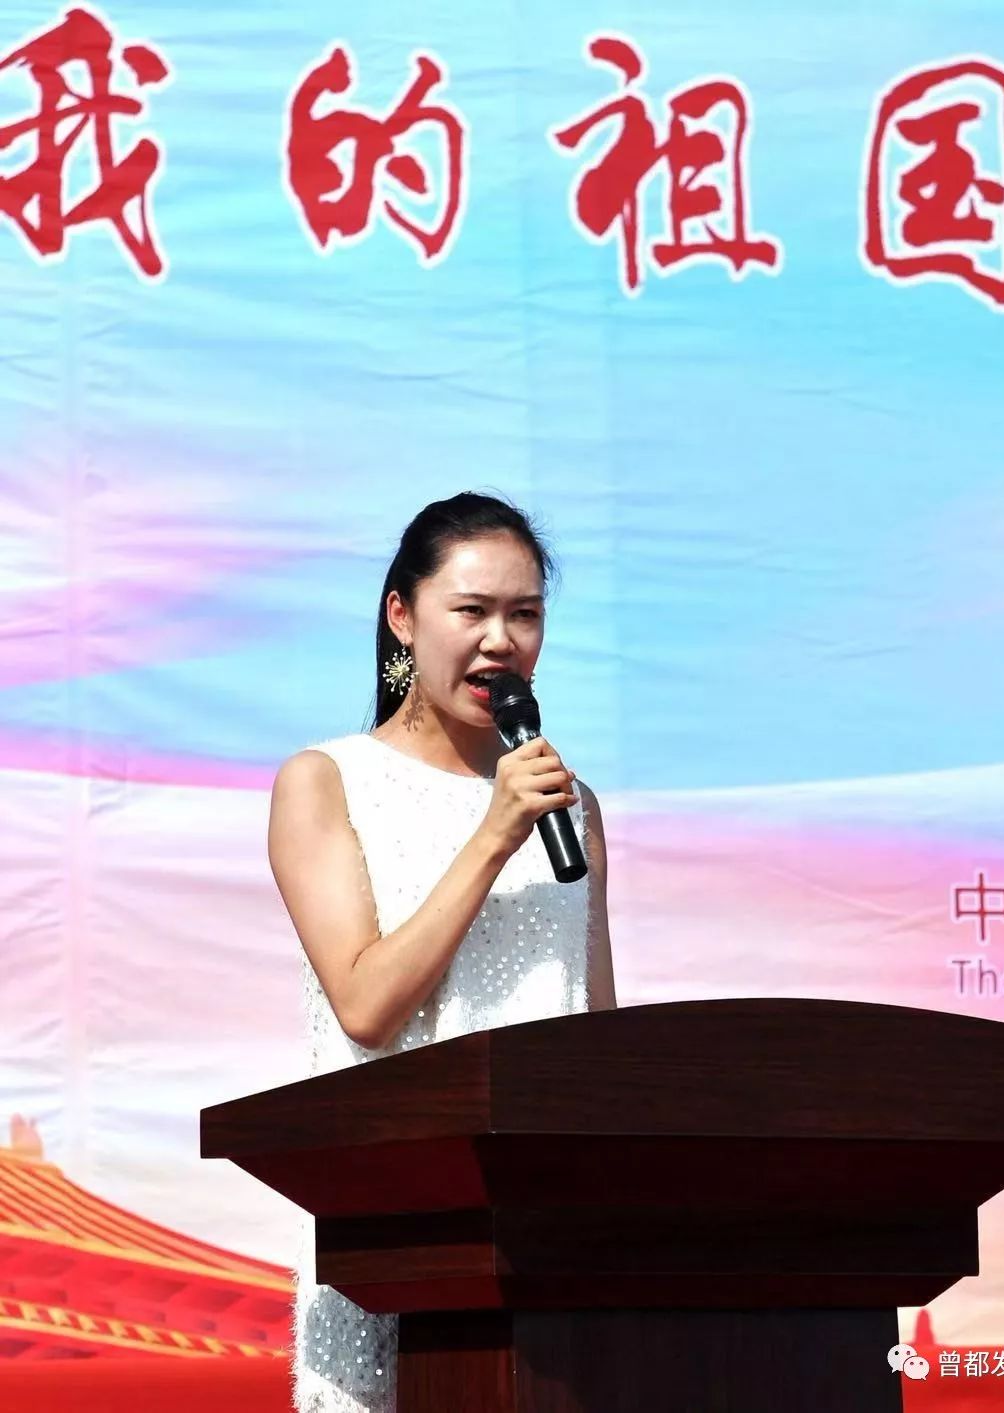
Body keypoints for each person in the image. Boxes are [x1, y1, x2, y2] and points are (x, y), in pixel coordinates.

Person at [267, 491, 616, 1412]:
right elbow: (366, 1005)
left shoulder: (571, 804)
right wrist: (494, 834)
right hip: (396, 1232)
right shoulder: (326, 782)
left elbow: (598, 1036)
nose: (501, 640)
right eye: (472, 610)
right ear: (402, 616)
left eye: (525, 614)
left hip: (549, 1236)